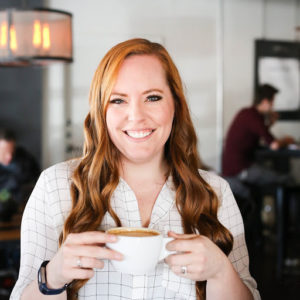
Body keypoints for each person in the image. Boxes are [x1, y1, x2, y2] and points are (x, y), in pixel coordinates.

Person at [11, 38, 260, 300]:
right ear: (100, 110)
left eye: (152, 97)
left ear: (175, 104)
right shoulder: (55, 186)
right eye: (118, 100)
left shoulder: (216, 192)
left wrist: (220, 271)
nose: (137, 116)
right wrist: (54, 276)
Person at [222, 84, 295, 200]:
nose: (273, 106)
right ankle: (291, 218)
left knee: (274, 173)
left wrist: (270, 123)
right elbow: (274, 145)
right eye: (272, 102)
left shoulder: (247, 113)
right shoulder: (254, 116)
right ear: (265, 102)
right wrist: (287, 140)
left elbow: (260, 134)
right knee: (287, 179)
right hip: (240, 169)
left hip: (234, 168)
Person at [0, 129, 40, 204]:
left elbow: (37, 178)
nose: (9, 157)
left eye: (11, 151)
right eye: (4, 152)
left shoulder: (24, 157)